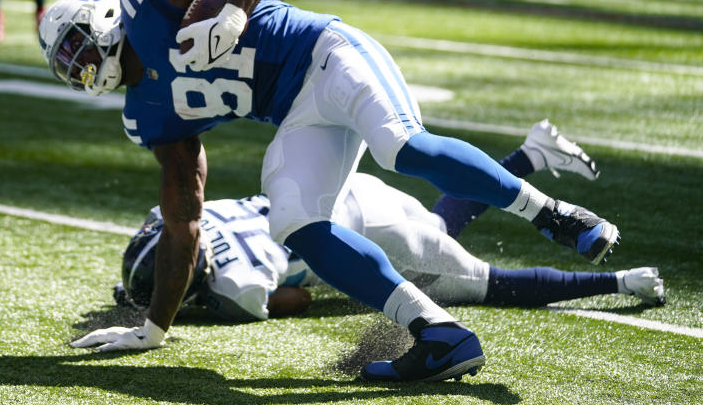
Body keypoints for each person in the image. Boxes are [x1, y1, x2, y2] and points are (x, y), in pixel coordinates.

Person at [38, 0, 619, 382]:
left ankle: (553, 213)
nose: (77, 64)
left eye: (74, 44)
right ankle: (440, 334)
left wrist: (236, 11)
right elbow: (184, 215)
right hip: (296, 113)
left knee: (400, 147)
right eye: (64, 61)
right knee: (290, 221)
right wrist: (153, 328)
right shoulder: (146, 115)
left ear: (103, 17)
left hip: (328, 53)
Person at [115, 122, 664, 323]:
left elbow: (294, 302)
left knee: (484, 284)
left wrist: (198, 309)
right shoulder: (175, 222)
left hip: (354, 232)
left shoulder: (234, 286)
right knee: (438, 227)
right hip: (331, 190)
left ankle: (621, 280)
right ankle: (532, 155)